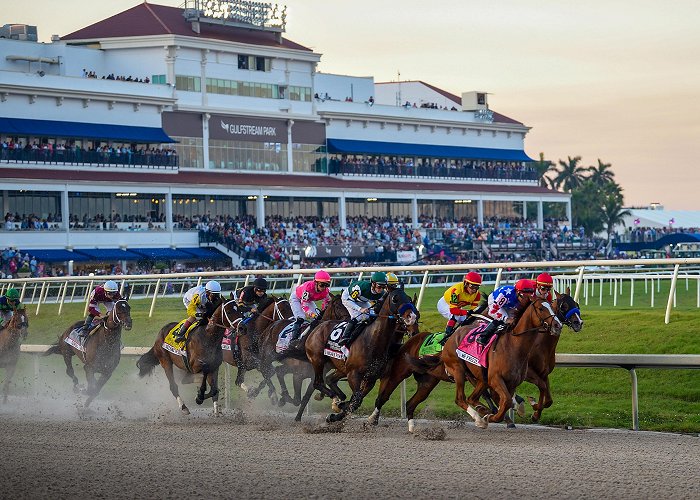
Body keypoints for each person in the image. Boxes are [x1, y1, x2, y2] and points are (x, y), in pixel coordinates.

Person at [475, 278, 536, 345]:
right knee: (503, 319)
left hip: (509, 305)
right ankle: (483, 336)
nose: (526, 299)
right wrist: (506, 319)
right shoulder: (505, 294)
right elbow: (492, 312)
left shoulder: (527, 296)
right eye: (524, 296)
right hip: (495, 301)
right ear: (517, 292)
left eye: (529, 295)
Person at [338, 271, 388, 347]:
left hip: (362, 300)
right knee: (358, 317)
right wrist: (360, 309)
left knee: (373, 315)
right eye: (379, 286)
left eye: (384, 287)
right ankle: (344, 337)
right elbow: (350, 300)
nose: (381, 289)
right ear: (373, 284)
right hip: (348, 298)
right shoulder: (360, 288)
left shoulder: (381, 294)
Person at [437, 271, 482, 345]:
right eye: (472, 286)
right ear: (466, 283)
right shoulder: (456, 291)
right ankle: (446, 336)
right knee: (456, 316)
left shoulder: (477, 295)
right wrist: (467, 312)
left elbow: (473, 311)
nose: (474, 290)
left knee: (467, 320)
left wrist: (472, 313)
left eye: (477, 287)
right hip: (444, 304)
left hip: (456, 307)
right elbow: (453, 310)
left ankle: (463, 336)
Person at [288, 270, 331, 342]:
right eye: (322, 285)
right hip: (296, 298)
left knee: (319, 319)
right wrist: (313, 315)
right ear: (315, 283)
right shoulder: (308, 288)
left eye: (326, 285)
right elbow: (304, 305)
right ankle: (293, 340)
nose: (324, 288)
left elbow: (326, 303)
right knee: (301, 318)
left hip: (308, 300)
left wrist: (322, 312)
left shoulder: (326, 292)